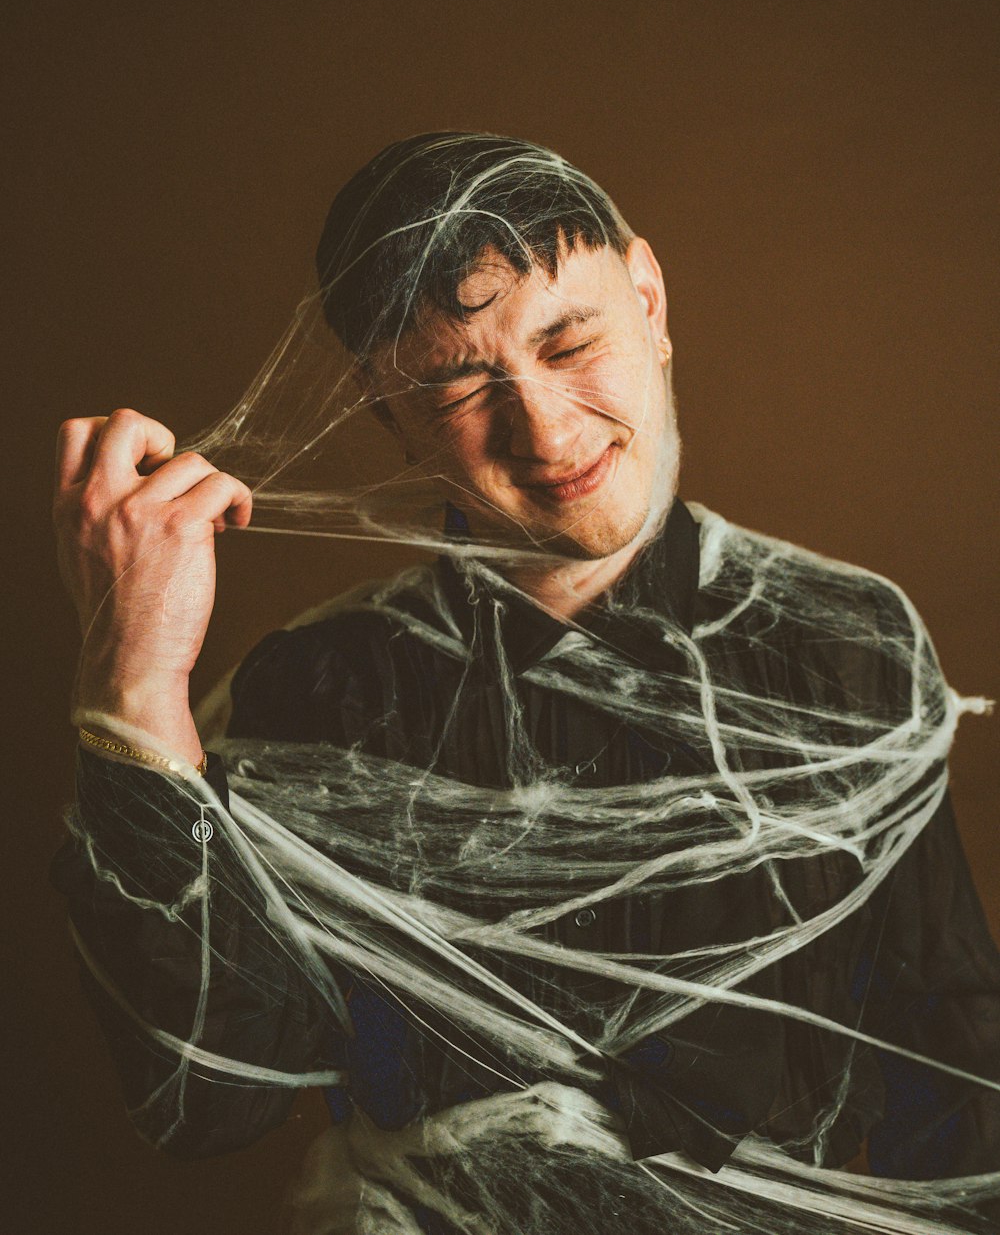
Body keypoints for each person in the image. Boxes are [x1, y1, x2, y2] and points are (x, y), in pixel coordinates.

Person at [50, 133, 1000, 1233]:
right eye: (459, 379)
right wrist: (134, 684)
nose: (545, 429)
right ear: (384, 407)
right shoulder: (323, 695)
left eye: (570, 339)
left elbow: (958, 1071)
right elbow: (210, 1097)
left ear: (647, 298)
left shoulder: (840, 642)